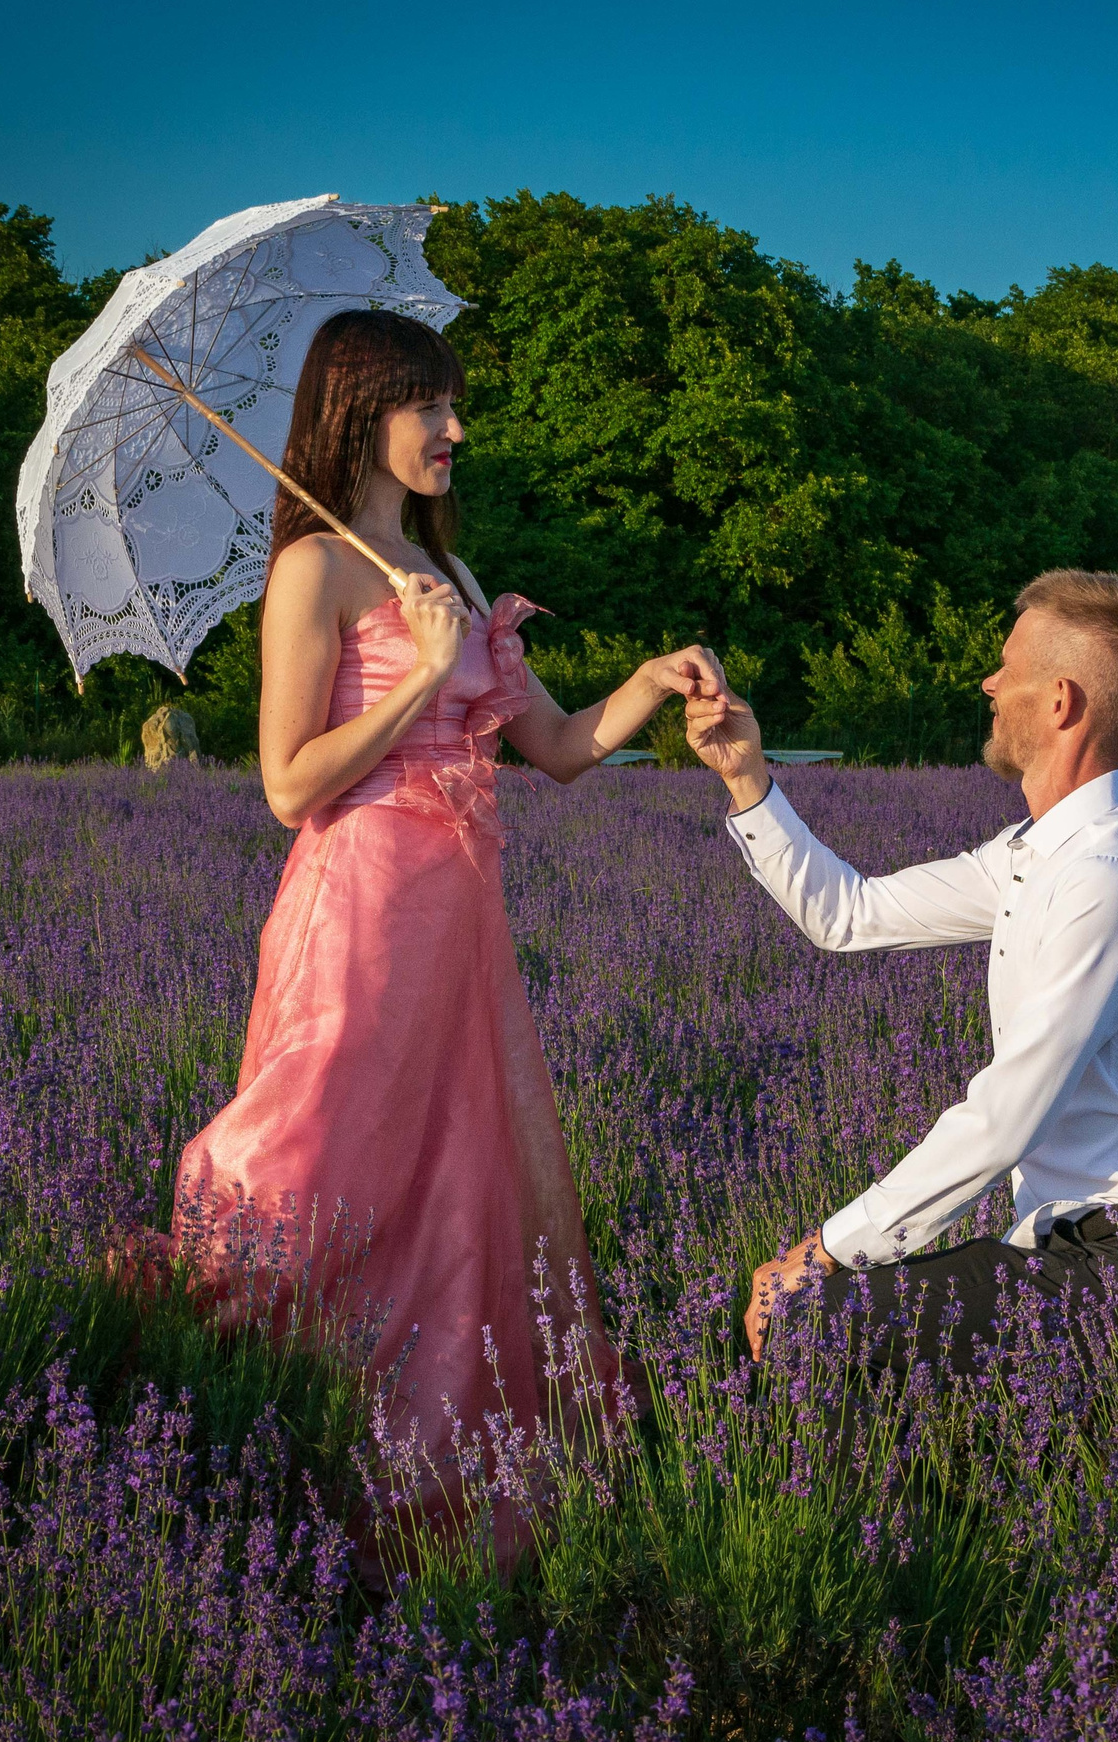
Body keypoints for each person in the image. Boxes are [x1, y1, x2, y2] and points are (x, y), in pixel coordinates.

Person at [165, 309, 721, 1546]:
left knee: (456, 1182)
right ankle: (256, 1433)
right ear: (360, 414)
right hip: (358, 915)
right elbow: (288, 787)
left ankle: (430, 1442)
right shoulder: (312, 570)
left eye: (452, 406)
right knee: (324, 1153)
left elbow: (561, 751)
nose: (455, 429)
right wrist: (419, 674)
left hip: (459, 926)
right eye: (430, 407)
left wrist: (650, 679)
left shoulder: (454, 576)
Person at [683, 569, 1118, 1377]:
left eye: (1009, 668)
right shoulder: (1032, 857)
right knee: (814, 1325)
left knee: (822, 1318)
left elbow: (1005, 1118)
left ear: (1060, 703)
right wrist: (745, 778)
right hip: (1060, 1250)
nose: (989, 683)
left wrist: (823, 1252)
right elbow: (848, 914)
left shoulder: (1110, 878)